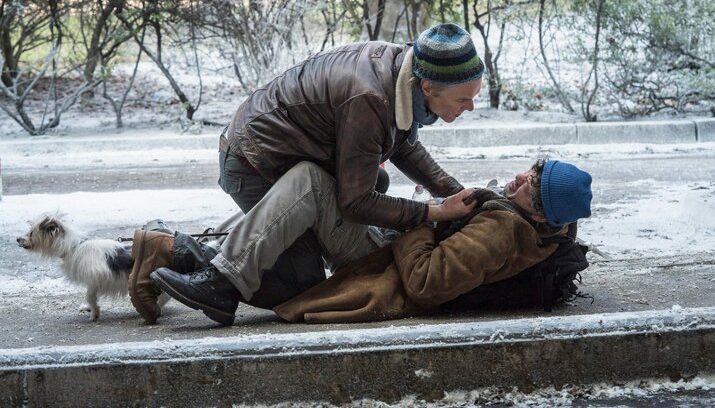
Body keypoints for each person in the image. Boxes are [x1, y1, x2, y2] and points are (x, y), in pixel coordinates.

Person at [134, 158, 591, 325]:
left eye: (531, 183)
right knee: (359, 181)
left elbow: (425, 282)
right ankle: (171, 251)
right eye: (532, 169)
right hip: (389, 249)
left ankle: (185, 258)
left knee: (312, 182)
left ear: (540, 212)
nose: (521, 177)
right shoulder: (537, 226)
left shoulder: (503, 230)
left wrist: (421, 217)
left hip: (385, 266)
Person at [217, 22, 484, 232]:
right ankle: (198, 259)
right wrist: (436, 211)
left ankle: (250, 230)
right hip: (253, 163)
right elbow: (356, 203)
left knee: (377, 180)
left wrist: (462, 197)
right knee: (300, 281)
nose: (470, 107)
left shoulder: (405, 74)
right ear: (427, 87)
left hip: (282, 155)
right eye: (463, 99)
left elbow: (402, 144)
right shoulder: (371, 99)